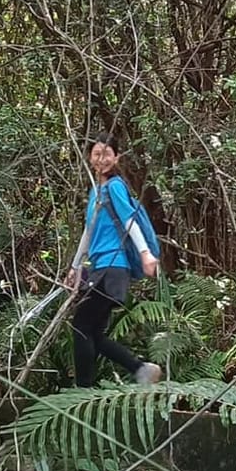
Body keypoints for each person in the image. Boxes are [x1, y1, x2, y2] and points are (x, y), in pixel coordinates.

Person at [66, 134, 164, 388]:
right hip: (101, 268)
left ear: (116, 157)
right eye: (97, 154)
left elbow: (129, 220)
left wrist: (145, 253)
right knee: (92, 332)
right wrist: (76, 267)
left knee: (80, 326)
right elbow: (89, 232)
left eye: (107, 154)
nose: (102, 159)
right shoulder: (96, 191)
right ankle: (140, 368)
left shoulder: (115, 186)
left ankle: (83, 389)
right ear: (90, 157)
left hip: (113, 268)